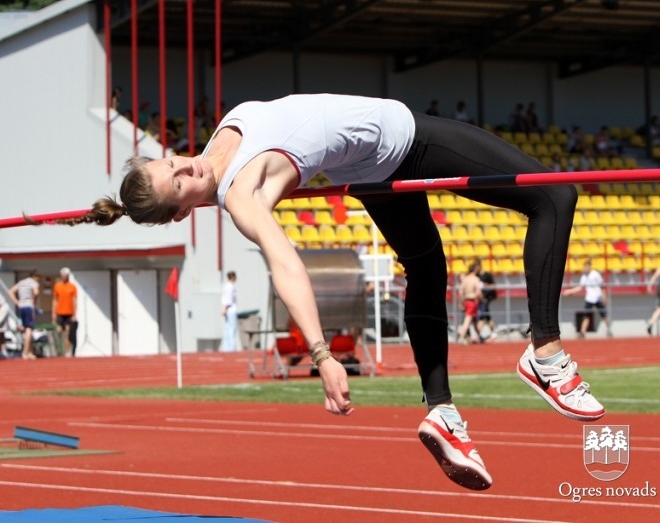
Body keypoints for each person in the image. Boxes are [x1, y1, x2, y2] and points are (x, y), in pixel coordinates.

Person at [60, 93, 604, 491]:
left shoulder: (215, 147)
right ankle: (546, 353)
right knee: (555, 196)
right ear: (183, 210)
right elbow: (285, 264)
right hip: (408, 141)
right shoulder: (242, 196)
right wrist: (322, 355)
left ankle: (441, 411)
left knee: (426, 269)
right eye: (179, 182)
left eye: (170, 162)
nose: (184, 164)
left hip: (375, 167)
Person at [563, 259, 613, 339]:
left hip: (598, 297)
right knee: (586, 315)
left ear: (589, 267)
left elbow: (602, 285)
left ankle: (609, 330)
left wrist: (604, 297)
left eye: (586, 267)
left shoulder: (595, 274)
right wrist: (570, 291)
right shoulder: (583, 277)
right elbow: (580, 287)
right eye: (584, 267)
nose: (585, 269)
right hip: (589, 298)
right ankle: (582, 333)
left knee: (604, 315)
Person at [9, 270, 41, 360]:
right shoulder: (33, 283)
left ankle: (30, 352)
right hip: (28, 306)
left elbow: (10, 292)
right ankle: (25, 352)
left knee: (26, 328)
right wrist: (34, 302)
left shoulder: (21, 282)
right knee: (29, 329)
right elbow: (36, 293)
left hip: (21, 306)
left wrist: (17, 302)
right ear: (35, 276)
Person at [52, 267, 78, 356]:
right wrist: (53, 314)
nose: (64, 277)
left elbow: (74, 301)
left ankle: (67, 352)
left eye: (65, 275)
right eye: (62, 275)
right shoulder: (57, 286)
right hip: (59, 312)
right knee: (58, 331)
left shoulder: (72, 287)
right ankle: (59, 350)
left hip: (69, 313)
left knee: (67, 333)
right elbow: (55, 300)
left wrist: (74, 314)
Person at [456, 262, 483, 344]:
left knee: (474, 320)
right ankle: (461, 337)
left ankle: (480, 337)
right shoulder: (475, 279)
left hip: (466, 301)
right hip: (472, 301)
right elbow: (478, 292)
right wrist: (481, 298)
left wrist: (461, 302)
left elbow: (460, 292)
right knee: (467, 320)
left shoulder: (466, 279)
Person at [474, 259, 498, 342]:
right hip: (480, 299)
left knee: (481, 316)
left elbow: (494, 285)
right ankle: (493, 333)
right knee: (487, 317)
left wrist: (485, 285)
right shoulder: (476, 276)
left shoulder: (487, 275)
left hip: (486, 298)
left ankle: (478, 335)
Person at [220, 271, 239, 352]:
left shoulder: (226, 286)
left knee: (228, 328)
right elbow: (228, 299)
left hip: (228, 309)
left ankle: (227, 347)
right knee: (232, 329)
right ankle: (231, 348)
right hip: (231, 309)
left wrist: (223, 308)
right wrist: (225, 308)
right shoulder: (230, 287)